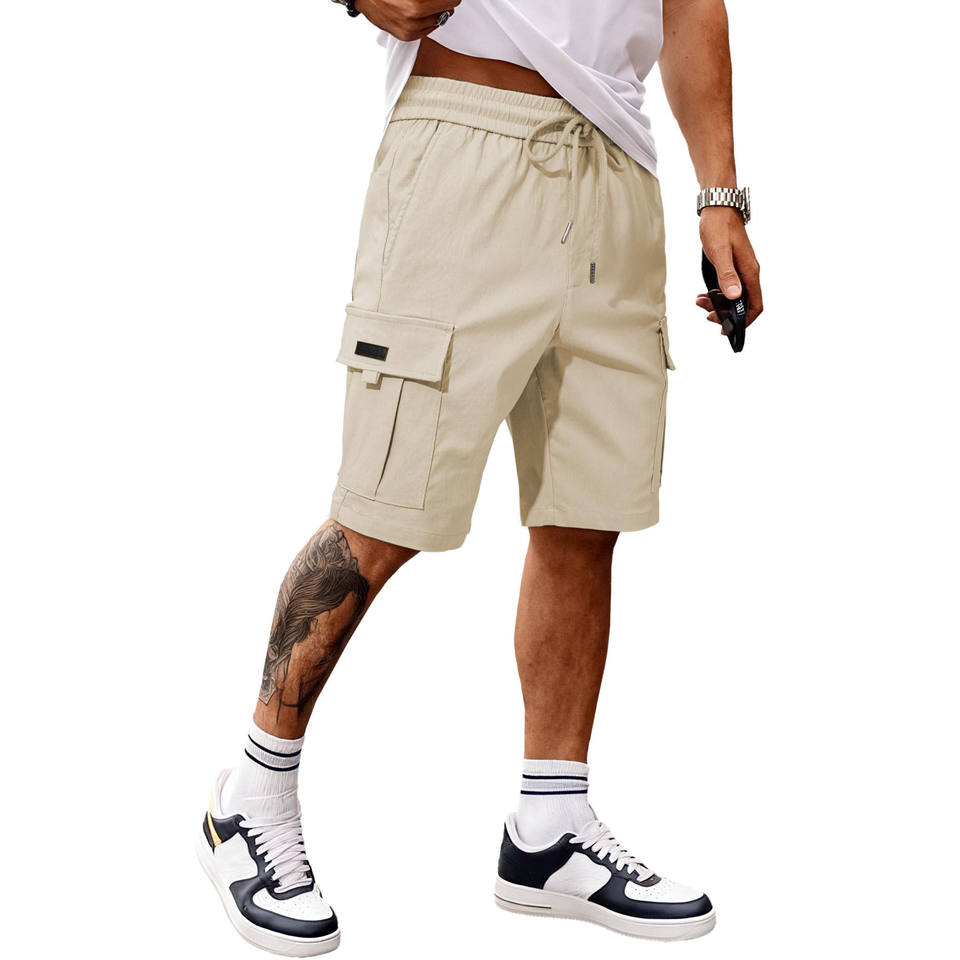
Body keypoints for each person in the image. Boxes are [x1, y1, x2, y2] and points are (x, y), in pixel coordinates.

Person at [195, 0, 763, 953]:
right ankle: (250, 795)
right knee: (383, 511)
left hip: (618, 165)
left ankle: (550, 828)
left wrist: (720, 194)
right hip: (464, 144)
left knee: (586, 517)